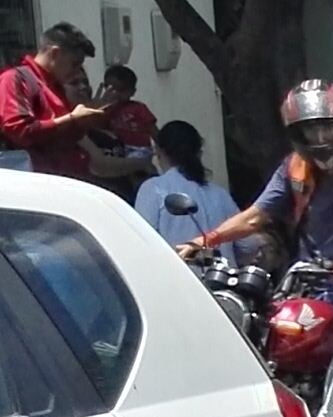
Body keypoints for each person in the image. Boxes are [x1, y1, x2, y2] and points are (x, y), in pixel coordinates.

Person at [179, 80, 333, 335]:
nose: (321, 139)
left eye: (329, 128)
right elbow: (254, 218)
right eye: (311, 131)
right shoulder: (293, 167)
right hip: (304, 290)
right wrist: (203, 242)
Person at [0, 23, 117, 180]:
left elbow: (62, 139)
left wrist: (86, 121)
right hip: (29, 184)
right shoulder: (16, 79)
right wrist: (71, 118)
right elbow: (20, 131)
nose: (76, 71)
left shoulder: (54, 85)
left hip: (61, 180)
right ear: (54, 53)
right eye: (74, 64)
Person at [133, 119, 239, 260]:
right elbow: (248, 245)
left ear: (159, 152)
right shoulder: (220, 194)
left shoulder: (153, 188)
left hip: (177, 279)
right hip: (222, 278)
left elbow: (141, 242)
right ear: (199, 153)